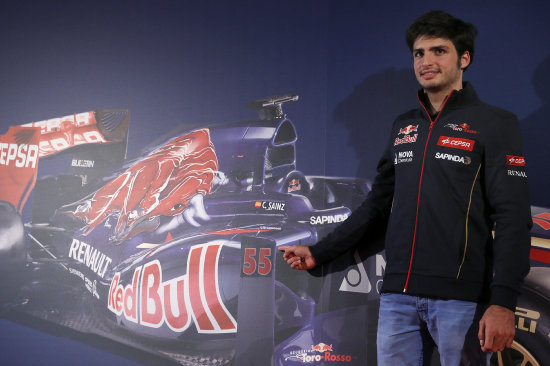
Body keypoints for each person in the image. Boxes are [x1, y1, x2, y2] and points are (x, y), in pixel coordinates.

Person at [279, 10, 531, 366]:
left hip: (461, 300)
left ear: (464, 58)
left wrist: (503, 301)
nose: (426, 61)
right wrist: (320, 252)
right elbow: (377, 207)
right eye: (419, 53)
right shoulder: (404, 126)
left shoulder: (495, 123)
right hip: (398, 296)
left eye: (438, 51)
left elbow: (512, 218)